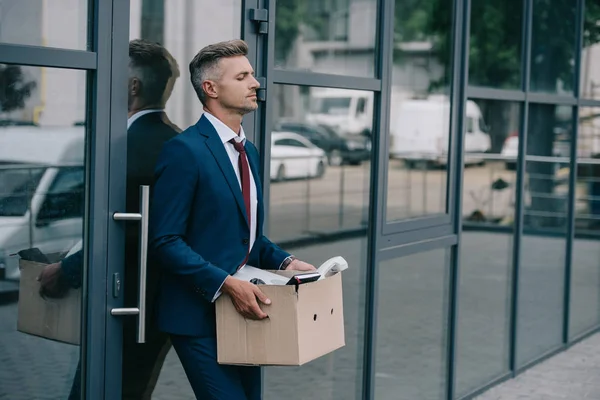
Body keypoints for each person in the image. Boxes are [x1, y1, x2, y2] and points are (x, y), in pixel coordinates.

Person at [148, 39, 316, 400]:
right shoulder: (184, 150)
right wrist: (226, 283)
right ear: (210, 88)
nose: (255, 83)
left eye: (252, 75)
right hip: (198, 318)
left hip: (244, 313)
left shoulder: (248, 151)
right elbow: (165, 241)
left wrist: (286, 261)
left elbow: (246, 233)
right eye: (243, 76)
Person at [37, 39, 180, 400]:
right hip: (153, 303)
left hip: (126, 302)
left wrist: (68, 270)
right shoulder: (178, 141)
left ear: (132, 86)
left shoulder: (125, 148)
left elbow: (128, 231)